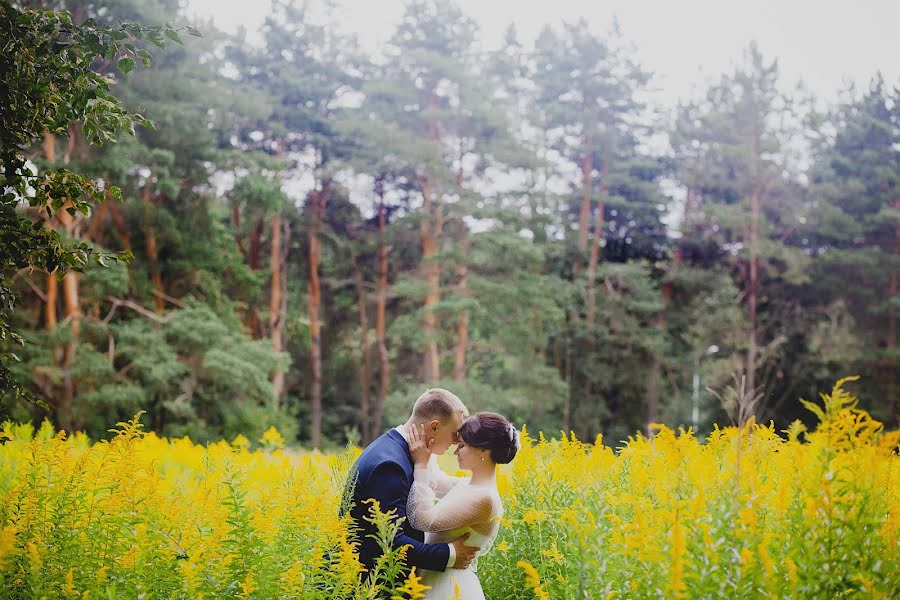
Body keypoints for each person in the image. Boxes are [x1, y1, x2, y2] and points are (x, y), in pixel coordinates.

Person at [343, 388, 480, 580]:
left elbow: (440, 483)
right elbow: (390, 540)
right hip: (368, 583)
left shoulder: (411, 452)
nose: (457, 441)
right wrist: (450, 554)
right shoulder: (390, 464)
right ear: (434, 427)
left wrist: (483, 486)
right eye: (454, 434)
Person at [406, 411, 520, 600]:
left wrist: (420, 464)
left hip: (448, 587)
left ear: (483, 450)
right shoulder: (469, 484)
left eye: (462, 446)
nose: (455, 452)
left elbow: (423, 519)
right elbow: (435, 481)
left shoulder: (485, 498)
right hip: (434, 578)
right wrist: (429, 445)